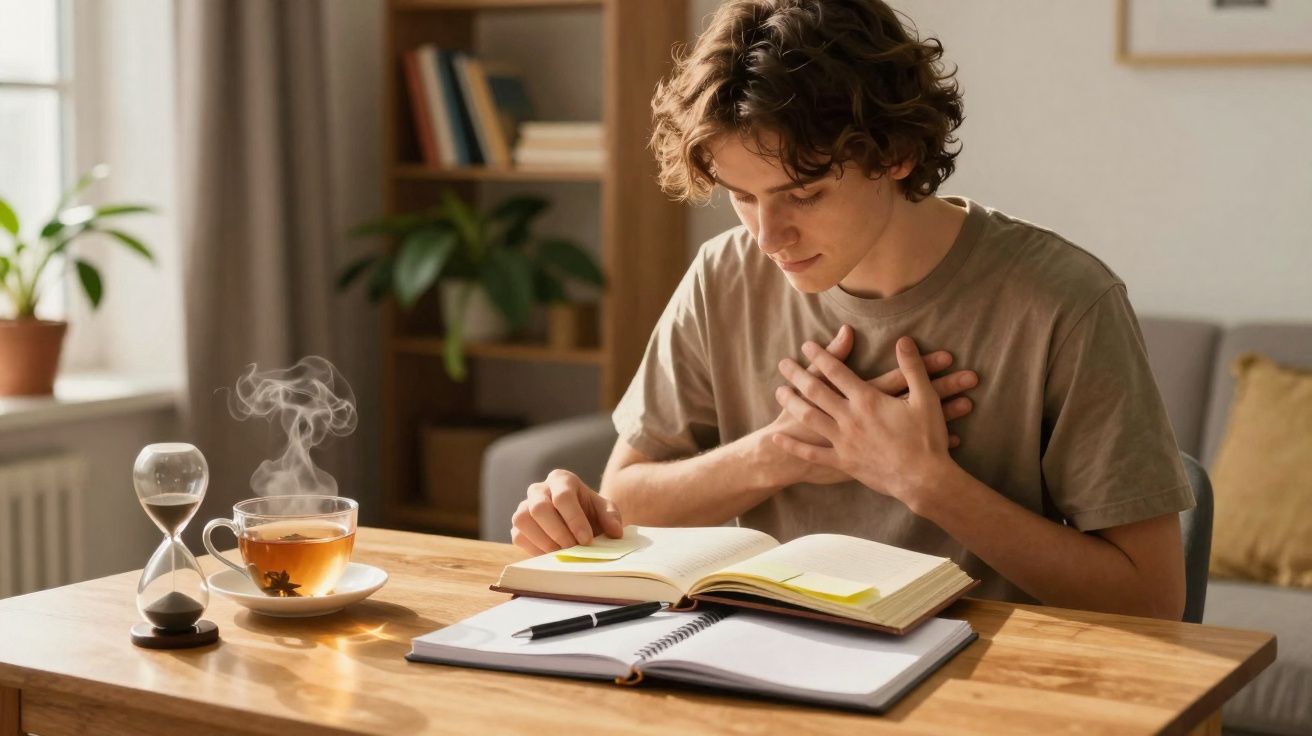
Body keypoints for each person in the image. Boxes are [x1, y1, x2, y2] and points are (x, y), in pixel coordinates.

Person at [510, 0, 1194, 620]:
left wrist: (924, 481)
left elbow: (1153, 600)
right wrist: (778, 453)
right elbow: (624, 497)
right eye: (743, 197)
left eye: (802, 195)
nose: (767, 237)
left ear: (894, 154)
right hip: (764, 666)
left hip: (990, 689)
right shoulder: (723, 276)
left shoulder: (1065, 302)